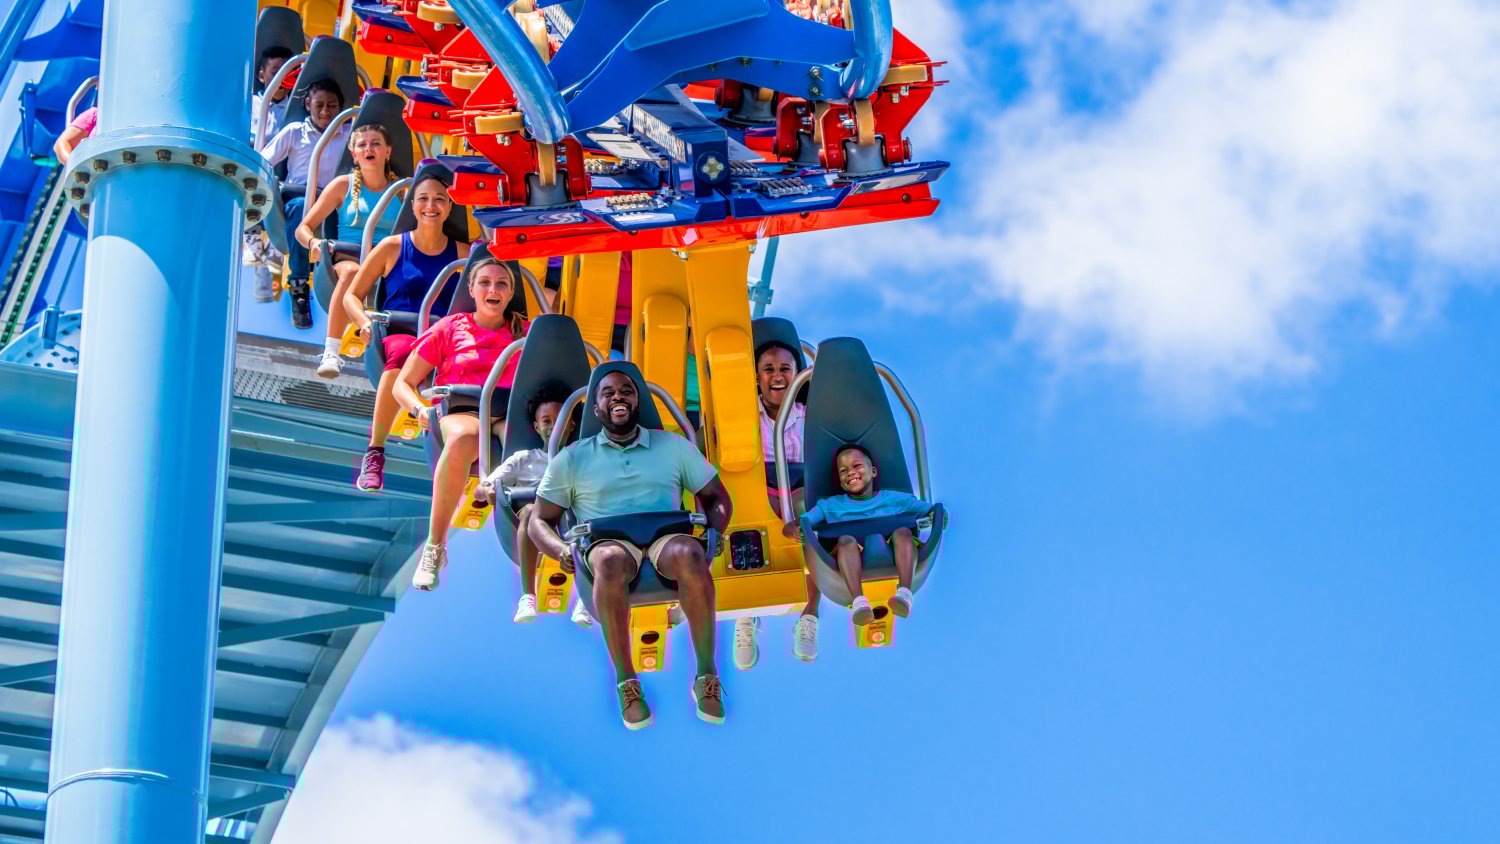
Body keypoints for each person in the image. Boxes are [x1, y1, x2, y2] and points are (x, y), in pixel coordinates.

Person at [529, 369, 734, 730]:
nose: (618, 397)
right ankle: (627, 681)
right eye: (608, 393)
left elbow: (715, 495)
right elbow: (539, 520)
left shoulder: (672, 446)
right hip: (609, 542)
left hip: (666, 537)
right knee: (608, 560)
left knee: (690, 553)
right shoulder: (572, 458)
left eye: (627, 391)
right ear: (596, 409)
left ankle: (706, 674)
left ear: (639, 402)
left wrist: (716, 531)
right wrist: (559, 549)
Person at [393, 257, 527, 592]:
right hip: (463, 410)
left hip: (510, 412)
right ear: (471, 289)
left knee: (530, 450)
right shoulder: (450, 328)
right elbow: (402, 383)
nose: (493, 289)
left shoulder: (526, 333)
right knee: (466, 437)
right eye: (485, 282)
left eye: (501, 284)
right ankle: (435, 546)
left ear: (510, 293)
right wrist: (419, 409)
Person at [347, 172, 469, 491]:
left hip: (442, 337)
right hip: (401, 331)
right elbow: (351, 295)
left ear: (450, 206)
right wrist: (363, 322)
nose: (431, 206)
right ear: (412, 205)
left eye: (439, 199)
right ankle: (375, 451)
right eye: (424, 199)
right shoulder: (391, 247)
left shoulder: (463, 253)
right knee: (403, 353)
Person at [473, 384, 595, 627]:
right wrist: (489, 491)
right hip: (532, 521)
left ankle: (586, 595)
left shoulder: (581, 459)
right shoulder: (524, 459)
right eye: (546, 421)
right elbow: (482, 488)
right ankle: (528, 595)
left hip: (570, 518)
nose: (553, 426)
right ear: (537, 427)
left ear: (571, 424)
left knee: (587, 516)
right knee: (531, 512)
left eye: (560, 420)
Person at [733, 340, 819, 670]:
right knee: (746, 514)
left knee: (807, 512)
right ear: (756, 377)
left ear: (798, 375)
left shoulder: (809, 417)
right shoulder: (742, 415)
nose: (777, 376)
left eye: (785, 369)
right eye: (768, 369)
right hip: (757, 488)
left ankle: (809, 617)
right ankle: (746, 614)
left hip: (799, 489)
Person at [295, 123, 403, 377]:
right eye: (362, 145)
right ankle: (331, 351)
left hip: (385, 263)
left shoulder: (402, 191)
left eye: (375, 143)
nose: (369, 149)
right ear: (354, 154)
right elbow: (303, 228)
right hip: (349, 257)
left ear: (387, 151)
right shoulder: (342, 186)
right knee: (352, 272)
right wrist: (313, 243)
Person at [782, 444, 933, 623]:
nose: (850, 472)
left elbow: (930, 510)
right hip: (850, 555)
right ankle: (859, 602)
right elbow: (798, 524)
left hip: (893, 551)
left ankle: (905, 593)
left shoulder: (896, 499)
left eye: (857, 465)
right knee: (846, 541)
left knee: (903, 532)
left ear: (873, 471)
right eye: (843, 470)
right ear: (839, 480)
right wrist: (792, 530)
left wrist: (937, 516)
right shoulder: (829, 506)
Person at [261, 78, 350, 329]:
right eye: (319, 105)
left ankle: (343, 280)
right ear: (308, 104)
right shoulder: (294, 132)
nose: (325, 112)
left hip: (333, 203)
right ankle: (299, 284)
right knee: (302, 210)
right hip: (299, 198)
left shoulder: (348, 135)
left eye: (332, 106)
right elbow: (264, 161)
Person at [251, 46, 294, 147]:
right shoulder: (250, 104)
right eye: (275, 73)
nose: (281, 79)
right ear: (262, 76)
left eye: (287, 74)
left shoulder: (294, 110)